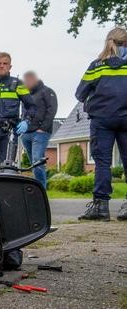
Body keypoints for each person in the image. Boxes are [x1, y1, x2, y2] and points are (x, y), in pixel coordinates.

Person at [76, 27, 127, 221]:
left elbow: (79, 93)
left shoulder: (97, 65)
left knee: (103, 162)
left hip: (102, 119)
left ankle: (101, 207)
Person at [20, 71, 58, 189]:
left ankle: (42, 189)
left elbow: (52, 109)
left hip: (40, 133)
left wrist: (43, 128)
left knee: (37, 161)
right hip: (26, 133)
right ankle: (36, 189)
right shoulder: (26, 94)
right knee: (33, 163)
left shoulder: (47, 92)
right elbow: (24, 112)